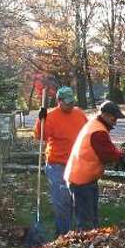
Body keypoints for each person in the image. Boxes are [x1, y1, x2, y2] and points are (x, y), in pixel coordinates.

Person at [32, 85, 87, 236]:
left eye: (72, 102)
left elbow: (87, 133)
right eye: (67, 102)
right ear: (59, 101)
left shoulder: (79, 114)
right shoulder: (50, 117)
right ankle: (63, 235)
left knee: (77, 200)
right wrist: (40, 119)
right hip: (57, 165)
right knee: (62, 202)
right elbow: (39, 136)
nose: (70, 105)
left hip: (77, 164)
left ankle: (78, 233)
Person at [64, 100, 125, 231]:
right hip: (81, 180)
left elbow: (107, 149)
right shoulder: (98, 131)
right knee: (87, 222)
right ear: (104, 115)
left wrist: (116, 152)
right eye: (113, 117)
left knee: (90, 217)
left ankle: (90, 243)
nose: (115, 121)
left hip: (82, 177)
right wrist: (119, 154)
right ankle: (86, 247)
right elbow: (108, 154)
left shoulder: (95, 125)